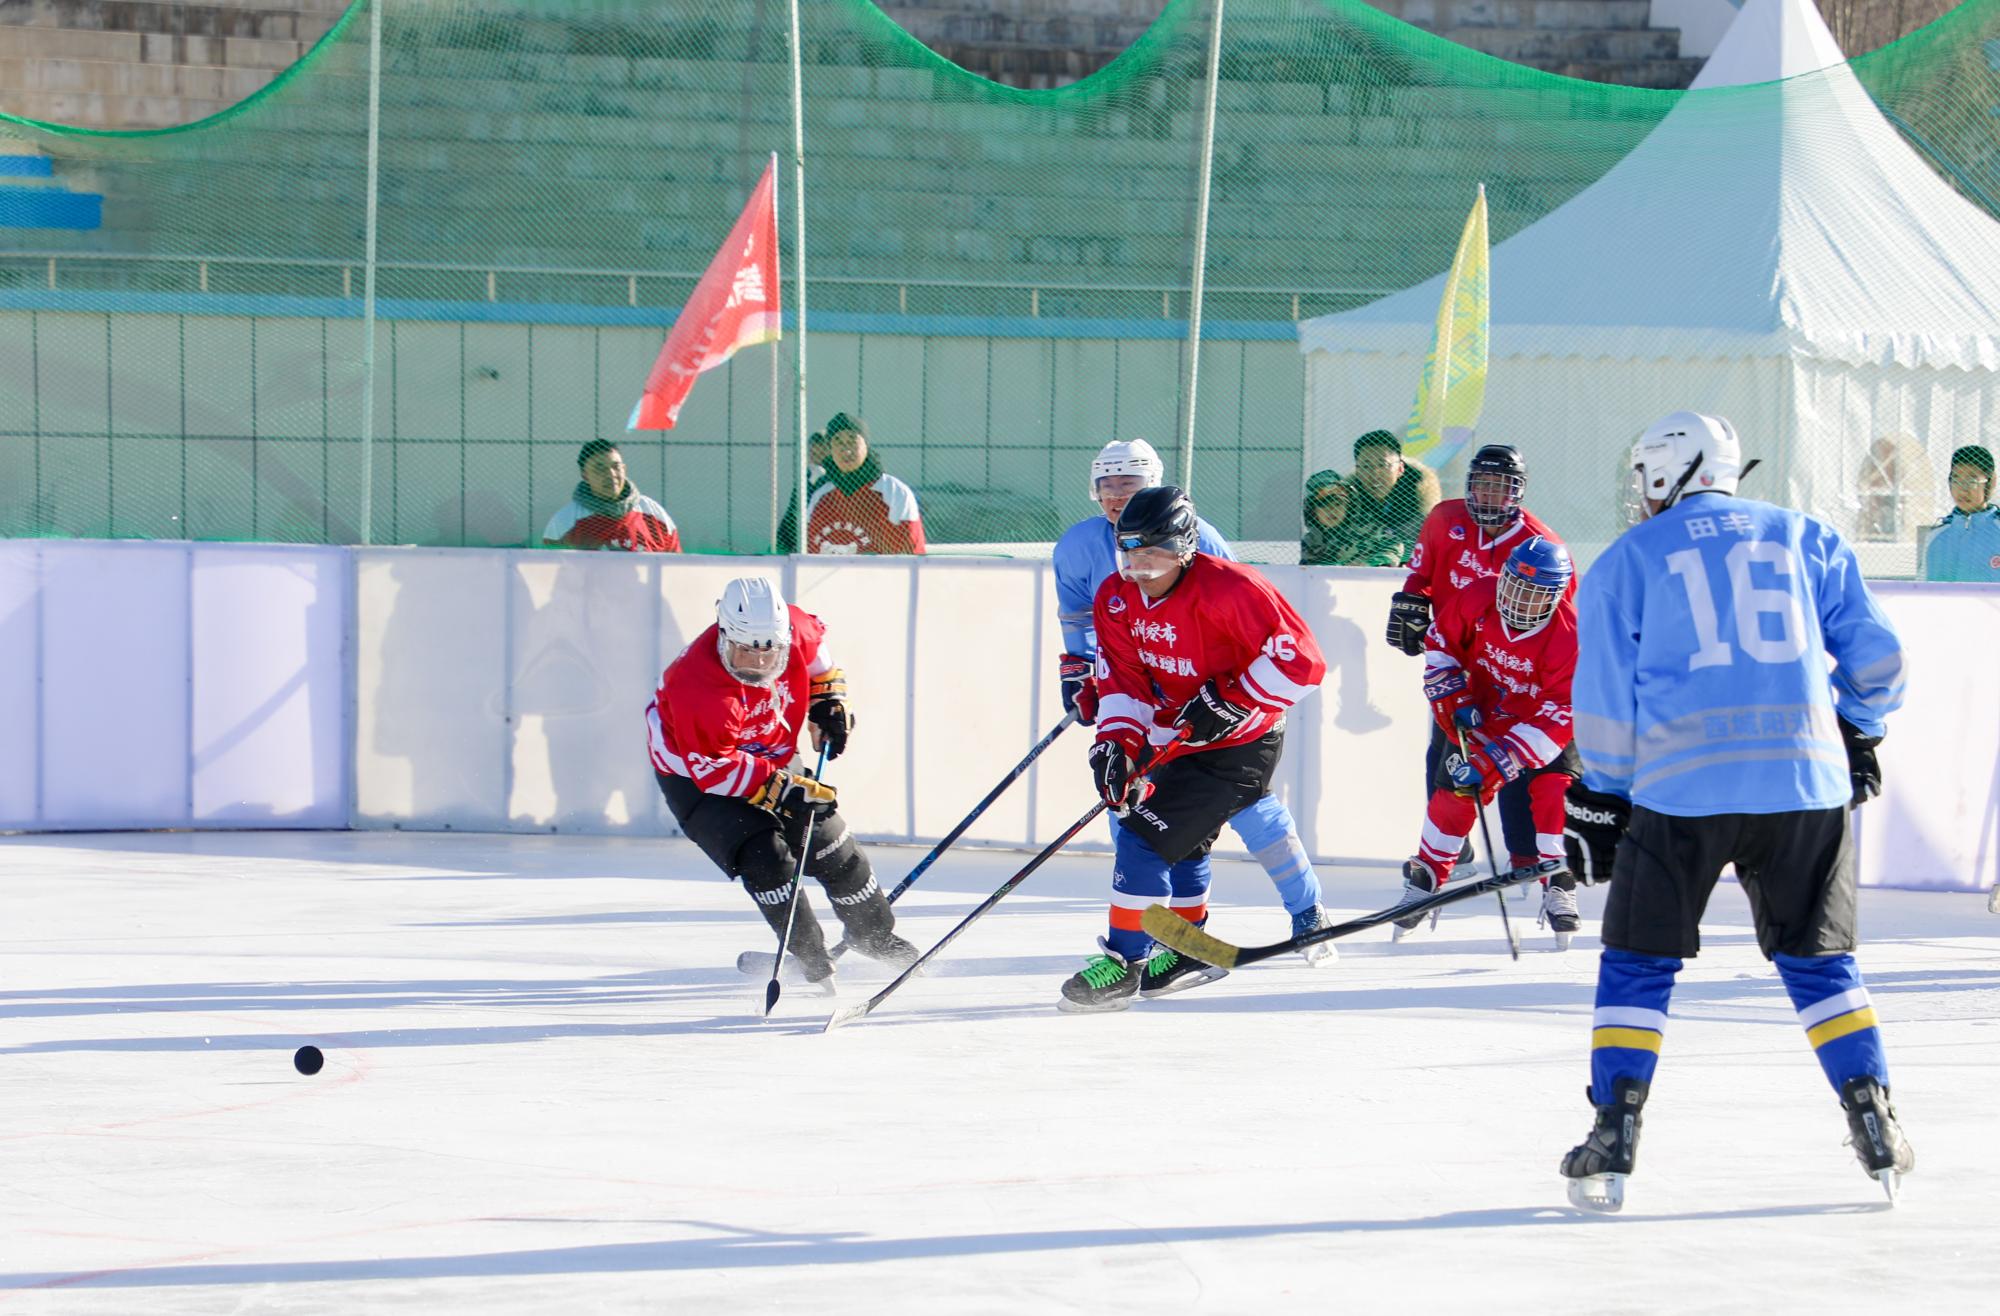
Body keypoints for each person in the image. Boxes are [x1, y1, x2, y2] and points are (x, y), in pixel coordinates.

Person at [1559, 410, 1912, 1212]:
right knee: (1821, 963)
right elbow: (1880, 661)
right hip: (1804, 786)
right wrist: (1856, 728)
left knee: (1639, 962)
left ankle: (1614, 1131)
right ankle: (1875, 1117)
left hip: (1680, 793)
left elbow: (1606, 700)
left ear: (1666, 472)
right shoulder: (1808, 535)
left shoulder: (1627, 560)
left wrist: (1604, 795)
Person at [1055, 439, 1336, 966]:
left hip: (1239, 732)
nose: (1139, 565)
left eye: (1128, 482)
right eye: (1129, 551)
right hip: (1170, 724)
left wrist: (1232, 698)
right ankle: (1185, 947)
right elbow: (1120, 671)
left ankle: (1305, 910)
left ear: (1185, 547)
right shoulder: (1105, 581)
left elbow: (1298, 659)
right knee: (1155, 830)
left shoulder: (1224, 577)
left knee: (1247, 819)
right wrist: (1113, 733)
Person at [647, 576, 916, 988]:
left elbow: (822, 666)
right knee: (767, 857)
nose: (757, 665)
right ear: (723, 636)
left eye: (768, 653)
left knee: (830, 844)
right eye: (743, 652)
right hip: (697, 777)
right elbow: (715, 770)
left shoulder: (797, 628)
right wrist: (785, 791)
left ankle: (873, 934)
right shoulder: (696, 685)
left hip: (771, 754)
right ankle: (810, 954)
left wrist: (827, 703)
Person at [1391, 536, 1583, 948]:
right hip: (1482, 715)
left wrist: (1502, 757)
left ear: (1556, 596)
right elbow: (1440, 644)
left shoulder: (1571, 636)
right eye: (1514, 584)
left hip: (1539, 726)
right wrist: (1450, 693)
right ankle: (1426, 879)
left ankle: (1558, 880)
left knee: (1556, 790)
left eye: (1534, 593)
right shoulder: (1478, 595)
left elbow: (1561, 712)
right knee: (1455, 792)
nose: (1519, 599)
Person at [1386, 444, 1565, 877]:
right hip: (1452, 655)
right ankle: (1453, 852)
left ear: (1517, 492)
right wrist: (1412, 601)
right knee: (1445, 752)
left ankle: (1524, 856)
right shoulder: (1443, 518)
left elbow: (1557, 620)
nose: (1489, 494)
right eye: (1482, 483)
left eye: (1500, 486)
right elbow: (1421, 575)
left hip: (1512, 667)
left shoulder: (1540, 545)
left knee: (1512, 760)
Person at [803, 412, 927, 555]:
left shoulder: (894, 492)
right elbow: (809, 551)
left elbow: (912, 555)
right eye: (838, 442)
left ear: (866, 445)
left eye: (852, 441)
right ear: (830, 450)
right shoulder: (821, 496)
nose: (846, 450)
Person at [542, 439, 681, 551]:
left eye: (616, 467)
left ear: (624, 469)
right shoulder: (565, 522)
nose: (611, 474)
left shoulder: (654, 514)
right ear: (585, 475)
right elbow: (550, 571)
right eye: (599, 468)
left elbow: (676, 567)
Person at [1343, 430, 1441, 554]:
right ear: (1357, 470)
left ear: (1400, 469)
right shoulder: (1347, 501)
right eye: (1366, 466)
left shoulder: (1421, 505)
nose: (1375, 474)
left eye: (1383, 465)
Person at [1920, 444, 2000, 583]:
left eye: (1971, 481)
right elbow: (1922, 585)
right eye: (1956, 480)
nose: (1962, 489)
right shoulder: (1936, 537)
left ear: (1991, 482)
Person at [1300, 469, 1408, 566]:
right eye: (1324, 505)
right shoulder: (1311, 541)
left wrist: (1369, 563)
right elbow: (1307, 571)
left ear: (1348, 507)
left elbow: (1395, 545)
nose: (1332, 510)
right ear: (1312, 511)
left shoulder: (1366, 527)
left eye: (1338, 504)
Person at [775, 430, 833, 553]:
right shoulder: (806, 474)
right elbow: (794, 506)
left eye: (822, 451)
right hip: (793, 530)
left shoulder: (834, 477)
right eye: (813, 452)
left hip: (820, 530)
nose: (816, 455)